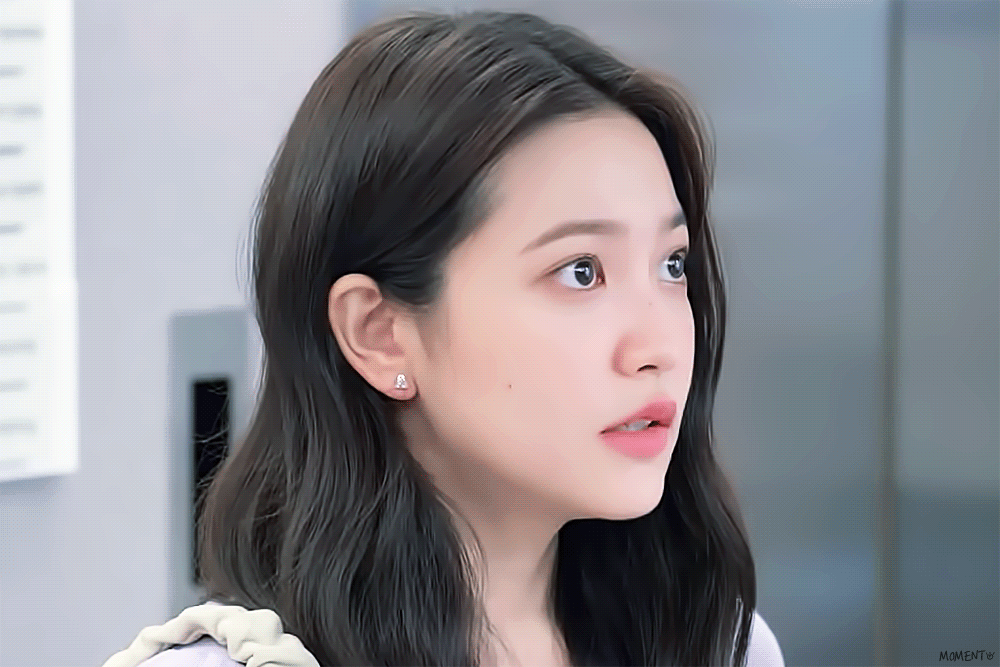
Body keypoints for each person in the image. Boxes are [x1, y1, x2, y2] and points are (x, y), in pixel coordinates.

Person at [103, 8, 785, 667]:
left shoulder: (724, 645)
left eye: (672, 265)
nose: (660, 347)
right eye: (581, 271)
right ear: (380, 333)